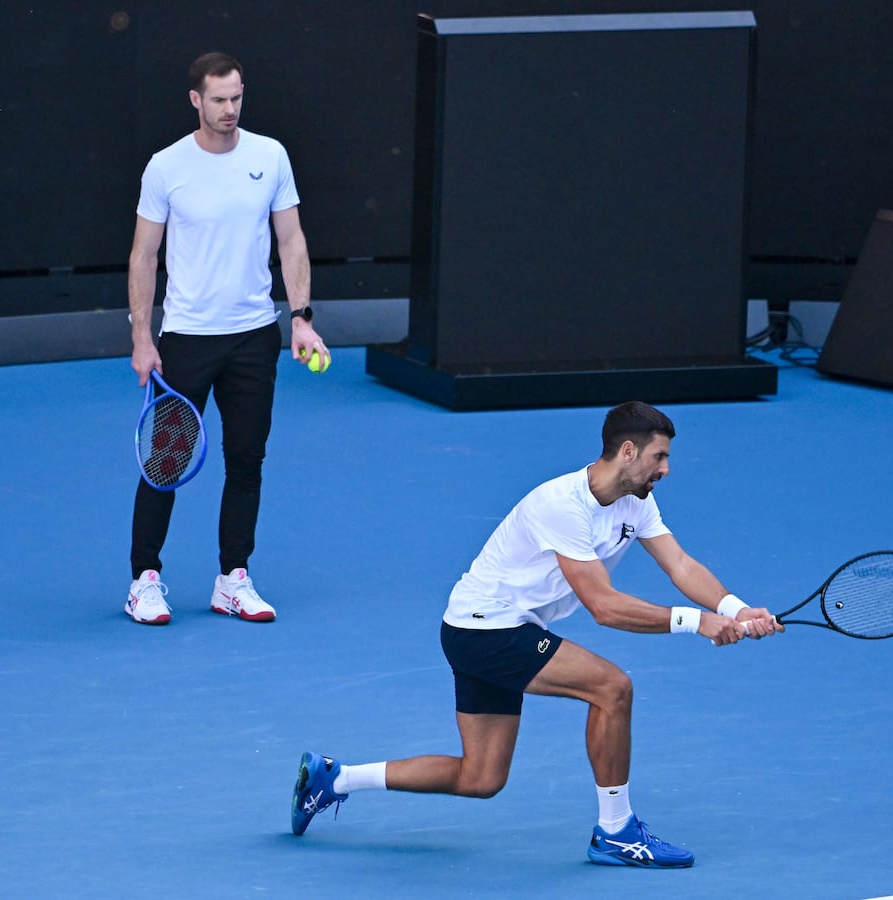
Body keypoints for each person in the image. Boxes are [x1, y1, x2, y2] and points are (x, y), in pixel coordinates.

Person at [290, 401, 783, 867]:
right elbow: (604, 606)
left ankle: (334, 779)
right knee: (613, 688)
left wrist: (735, 609)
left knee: (480, 778)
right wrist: (696, 622)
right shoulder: (562, 506)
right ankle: (616, 831)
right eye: (660, 456)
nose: (666, 469)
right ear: (627, 452)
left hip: (486, 628)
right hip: (487, 631)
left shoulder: (636, 501)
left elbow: (679, 563)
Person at [124, 52, 327, 626]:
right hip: (186, 338)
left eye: (237, 97)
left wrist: (302, 317)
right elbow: (144, 255)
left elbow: (291, 242)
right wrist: (143, 336)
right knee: (164, 461)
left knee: (247, 460)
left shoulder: (270, 156)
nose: (229, 109)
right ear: (196, 100)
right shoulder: (166, 167)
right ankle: (144, 580)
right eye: (218, 99)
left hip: (252, 338)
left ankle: (232, 579)